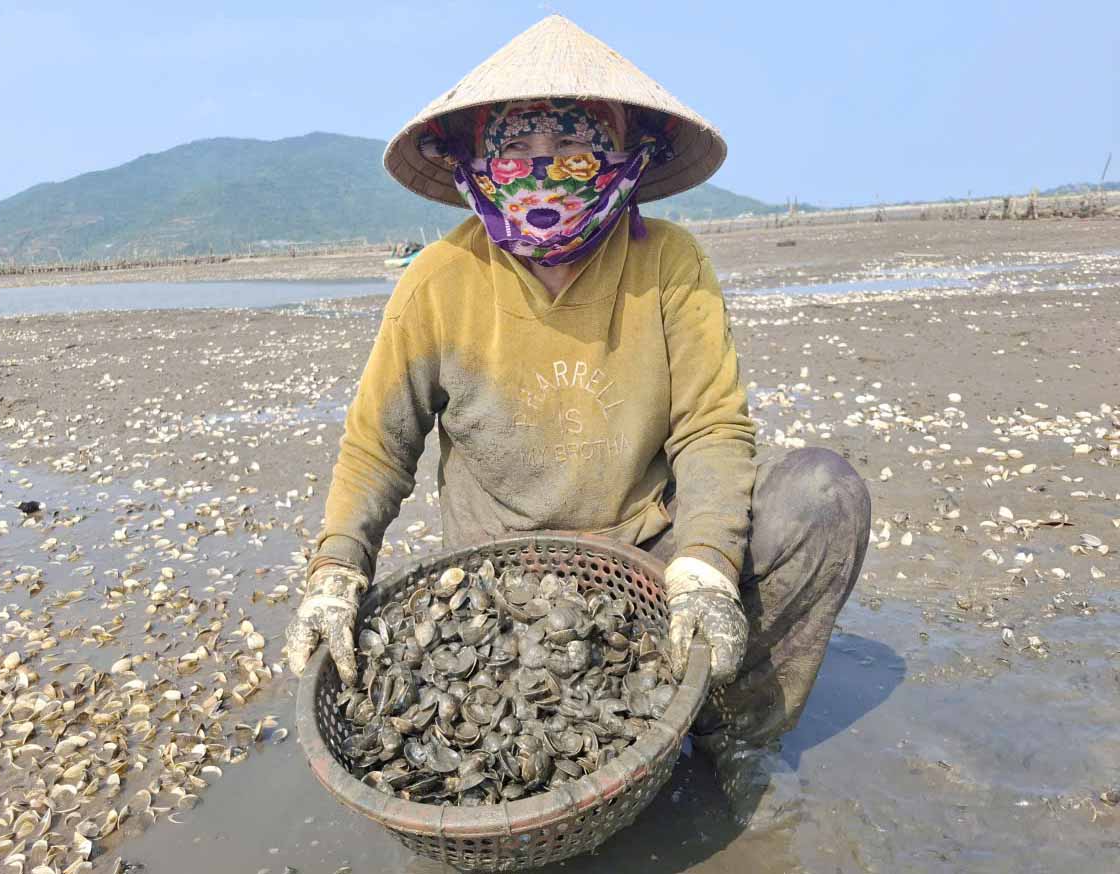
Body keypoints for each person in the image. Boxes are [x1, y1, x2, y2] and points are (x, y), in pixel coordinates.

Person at [283, 15, 871, 825]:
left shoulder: (669, 262)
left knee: (822, 496)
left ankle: (736, 733)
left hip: (646, 551)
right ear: (474, 165)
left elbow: (712, 427)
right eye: (516, 159)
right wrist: (335, 572)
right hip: (500, 577)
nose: (543, 183)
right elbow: (379, 448)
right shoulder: (438, 281)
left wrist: (702, 568)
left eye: (576, 157)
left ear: (628, 162)